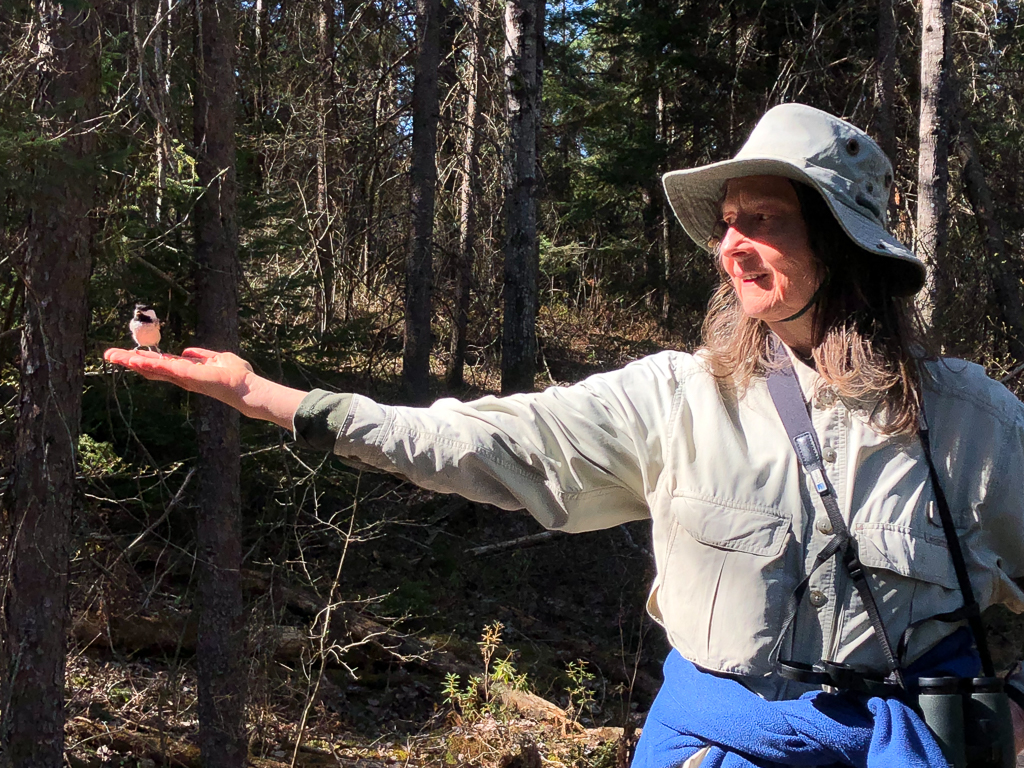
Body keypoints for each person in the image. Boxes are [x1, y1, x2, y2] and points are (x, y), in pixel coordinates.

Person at [105, 103, 1024, 767]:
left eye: (765, 221)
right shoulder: (676, 398)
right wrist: (272, 397)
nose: (730, 244)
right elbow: (486, 441)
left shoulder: (970, 423)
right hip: (714, 747)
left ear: (844, 243)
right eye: (728, 222)